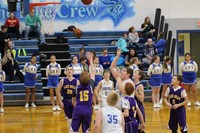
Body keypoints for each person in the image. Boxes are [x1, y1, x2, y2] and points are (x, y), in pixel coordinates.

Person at [70, 52, 95, 133]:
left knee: (74, 130)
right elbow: (93, 72)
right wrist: (90, 60)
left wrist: (76, 106)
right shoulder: (90, 85)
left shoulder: (77, 87)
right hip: (88, 108)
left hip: (78, 107)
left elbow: (73, 100)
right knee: (86, 130)